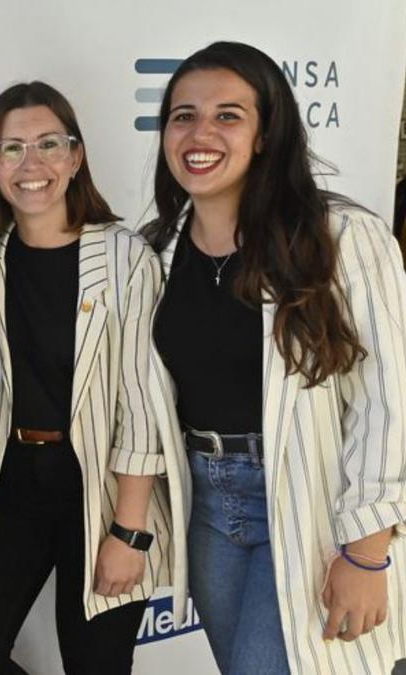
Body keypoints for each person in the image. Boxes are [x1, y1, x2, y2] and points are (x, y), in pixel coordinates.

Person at [145, 41, 406, 674]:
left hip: (309, 498)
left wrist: (368, 549)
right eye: (183, 115)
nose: (199, 133)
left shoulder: (340, 237)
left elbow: (388, 394)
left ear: (265, 134)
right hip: (205, 507)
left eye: (227, 115)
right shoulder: (153, 253)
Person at [0, 81, 181, 675]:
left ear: (75, 158)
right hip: (11, 485)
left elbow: (141, 400)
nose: (33, 165)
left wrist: (128, 532)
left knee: (96, 663)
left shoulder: (127, 257)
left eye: (50, 144)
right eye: (12, 149)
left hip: (101, 491)